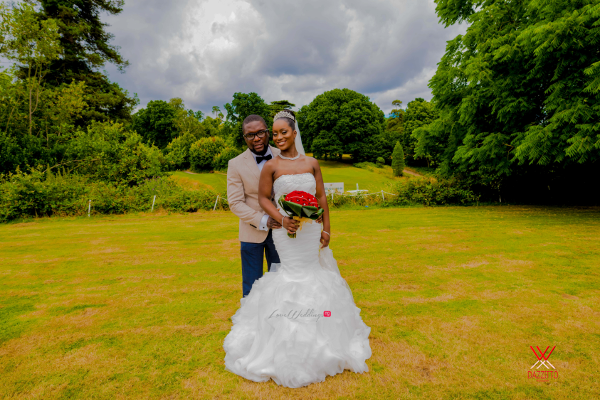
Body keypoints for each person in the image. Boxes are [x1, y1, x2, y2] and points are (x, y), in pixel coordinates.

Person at [223, 110, 372, 388]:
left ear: (291, 133)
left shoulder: (311, 162)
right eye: (251, 134)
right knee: (263, 283)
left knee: (308, 277)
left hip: (307, 231)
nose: (266, 137)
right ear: (244, 137)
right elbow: (246, 201)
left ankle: (319, 335)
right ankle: (263, 332)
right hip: (271, 229)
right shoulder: (247, 164)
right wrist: (279, 219)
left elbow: (320, 195)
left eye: (275, 132)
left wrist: (326, 227)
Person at [227, 115, 282, 298]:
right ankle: (251, 326)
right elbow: (235, 203)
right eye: (250, 135)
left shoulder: (283, 155)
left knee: (282, 283)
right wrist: (265, 220)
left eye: (260, 133)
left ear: (268, 133)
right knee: (252, 288)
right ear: (245, 138)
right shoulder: (235, 164)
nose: (256, 138)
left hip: (283, 231)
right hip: (251, 233)